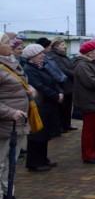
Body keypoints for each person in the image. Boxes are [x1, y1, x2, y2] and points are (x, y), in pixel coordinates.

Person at [0, 33, 31, 199]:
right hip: (5, 124)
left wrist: (29, 89)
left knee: (10, 162)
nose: (11, 45)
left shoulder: (12, 63)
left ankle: (8, 196)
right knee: (1, 163)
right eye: (6, 42)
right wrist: (10, 112)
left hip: (16, 124)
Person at [21, 44, 62, 172]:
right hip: (39, 105)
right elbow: (39, 87)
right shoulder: (29, 69)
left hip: (48, 105)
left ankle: (43, 159)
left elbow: (53, 81)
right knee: (37, 135)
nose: (43, 55)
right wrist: (56, 96)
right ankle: (34, 162)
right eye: (40, 54)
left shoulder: (41, 67)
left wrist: (59, 92)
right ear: (32, 56)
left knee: (45, 134)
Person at [49, 39, 77, 132]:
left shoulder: (64, 56)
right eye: (61, 45)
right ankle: (61, 126)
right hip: (63, 85)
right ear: (56, 46)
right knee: (62, 107)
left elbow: (70, 66)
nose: (64, 46)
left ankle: (67, 124)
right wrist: (75, 74)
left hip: (69, 85)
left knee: (68, 106)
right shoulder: (55, 57)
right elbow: (63, 70)